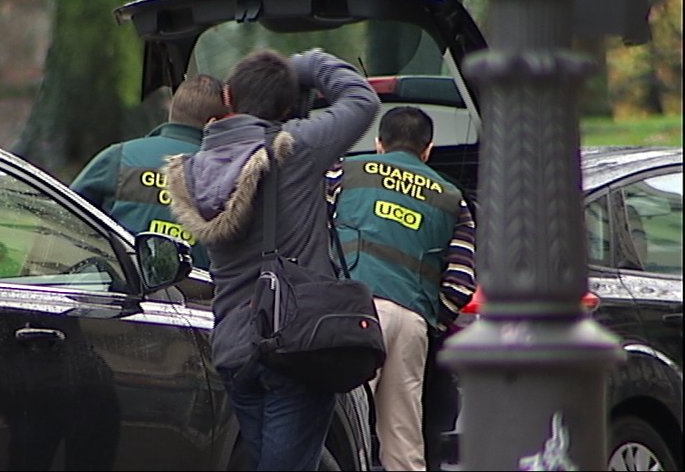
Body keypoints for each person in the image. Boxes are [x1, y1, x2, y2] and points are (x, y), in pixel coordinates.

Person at [163, 48, 378, 470]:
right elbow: (362, 100)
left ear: (227, 98)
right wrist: (309, 64)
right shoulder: (293, 149)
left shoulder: (196, 168)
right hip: (295, 342)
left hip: (233, 349)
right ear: (285, 108)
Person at [333, 106, 476, 471]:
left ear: (379, 144)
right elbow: (461, 282)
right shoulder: (452, 198)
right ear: (427, 149)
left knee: (342, 428)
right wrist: (429, 319)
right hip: (411, 323)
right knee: (403, 438)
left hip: (355, 313)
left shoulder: (345, 173)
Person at [70, 74, 228, 270]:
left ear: (172, 108)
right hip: (200, 296)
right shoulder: (229, 174)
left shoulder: (120, 157)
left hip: (123, 292)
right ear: (214, 122)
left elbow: (64, 215)